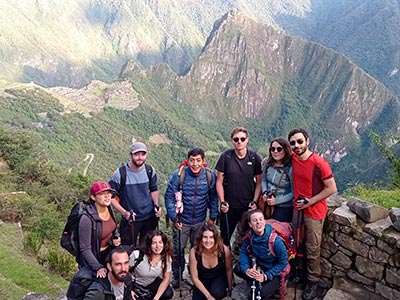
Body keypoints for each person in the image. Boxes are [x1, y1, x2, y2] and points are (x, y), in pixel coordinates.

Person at [288, 128, 337, 300]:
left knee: (312, 248)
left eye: (300, 141)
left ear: (307, 141)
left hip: (314, 212)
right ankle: (299, 275)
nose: (297, 145)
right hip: (298, 209)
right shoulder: (293, 158)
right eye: (293, 143)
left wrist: (311, 201)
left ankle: (312, 282)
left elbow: (332, 188)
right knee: (297, 244)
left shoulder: (319, 163)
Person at [165, 147, 219, 288]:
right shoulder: (179, 175)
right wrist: (174, 218)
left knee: (199, 249)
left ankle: (196, 275)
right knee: (178, 250)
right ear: (187, 161)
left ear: (203, 161)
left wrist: (213, 216)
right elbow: (169, 196)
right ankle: (177, 277)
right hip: (181, 221)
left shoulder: (209, 175)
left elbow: (213, 196)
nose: (195, 164)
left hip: (200, 221)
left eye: (198, 160)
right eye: (192, 160)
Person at [215, 126, 262, 246]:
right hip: (229, 206)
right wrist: (222, 201)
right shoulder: (226, 157)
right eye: (236, 139)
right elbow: (219, 181)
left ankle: (246, 264)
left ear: (247, 140)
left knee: (248, 239)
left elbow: (259, 182)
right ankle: (226, 263)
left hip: (247, 207)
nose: (239, 142)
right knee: (225, 239)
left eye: (242, 139)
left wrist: (255, 201)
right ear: (232, 141)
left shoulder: (254, 158)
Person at [110, 141, 162, 247]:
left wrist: (157, 206)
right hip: (130, 219)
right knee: (127, 249)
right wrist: (124, 213)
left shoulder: (150, 171)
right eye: (137, 154)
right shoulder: (120, 174)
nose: (140, 157)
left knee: (148, 247)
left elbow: (154, 189)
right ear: (131, 155)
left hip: (149, 217)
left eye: (143, 154)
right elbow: (110, 197)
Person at [236, 209, 288, 299]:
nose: (258, 223)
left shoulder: (275, 241)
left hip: (273, 271)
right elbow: (243, 253)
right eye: (255, 220)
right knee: (238, 269)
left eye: (260, 219)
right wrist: (247, 269)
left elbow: (283, 262)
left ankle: (276, 286)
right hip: (259, 267)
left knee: (260, 295)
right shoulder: (250, 236)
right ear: (250, 224)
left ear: (264, 222)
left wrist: (266, 276)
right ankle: (257, 281)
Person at [78, 181, 121, 278]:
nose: (107, 196)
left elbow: (112, 227)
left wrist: (115, 238)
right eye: (101, 194)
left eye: (108, 193)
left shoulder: (108, 208)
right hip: (93, 259)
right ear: (93, 197)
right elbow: (85, 248)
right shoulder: (87, 218)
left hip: (108, 254)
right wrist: (97, 267)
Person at [189, 224, 233, 300]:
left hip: (218, 278)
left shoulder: (224, 250)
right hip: (201, 279)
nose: (208, 241)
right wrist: (208, 296)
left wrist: (230, 287)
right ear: (201, 238)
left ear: (215, 239)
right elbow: (194, 277)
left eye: (211, 237)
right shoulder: (194, 252)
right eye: (205, 237)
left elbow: (229, 269)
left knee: (217, 293)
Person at [130, 230, 174, 300]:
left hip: (151, 282)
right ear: (149, 244)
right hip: (135, 284)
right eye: (154, 243)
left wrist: (156, 299)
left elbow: (166, 278)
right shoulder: (137, 255)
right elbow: (124, 272)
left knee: (168, 293)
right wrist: (129, 290)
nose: (157, 246)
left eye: (160, 242)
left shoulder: (166, 257)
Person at [259, 137, 294, 222]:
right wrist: (265, 192)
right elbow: (263, 179)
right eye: (272, 149)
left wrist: (276, 201)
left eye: (279, 149)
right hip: (267, 202)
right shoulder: (267, 163)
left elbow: (293, 192)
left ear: (285, 150)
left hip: (283, 206)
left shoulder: (290, 168)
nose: (275, 151)